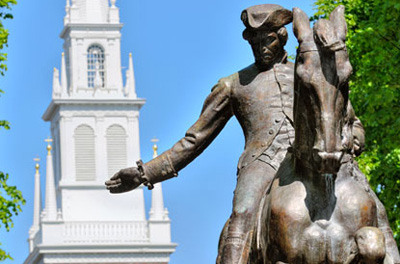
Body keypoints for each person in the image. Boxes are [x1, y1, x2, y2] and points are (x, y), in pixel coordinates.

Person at [105, 4, 365, 264]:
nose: (261, 46)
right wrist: (143, 173)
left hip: (313, 155)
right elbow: (194, 140)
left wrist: (355, 135)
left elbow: (347, 116)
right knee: (242, 214)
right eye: (254, 41)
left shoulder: (308, 72)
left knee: (365, 198)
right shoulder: (232, 85)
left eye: (268, 39)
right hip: (262, 163)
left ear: (282, 36)